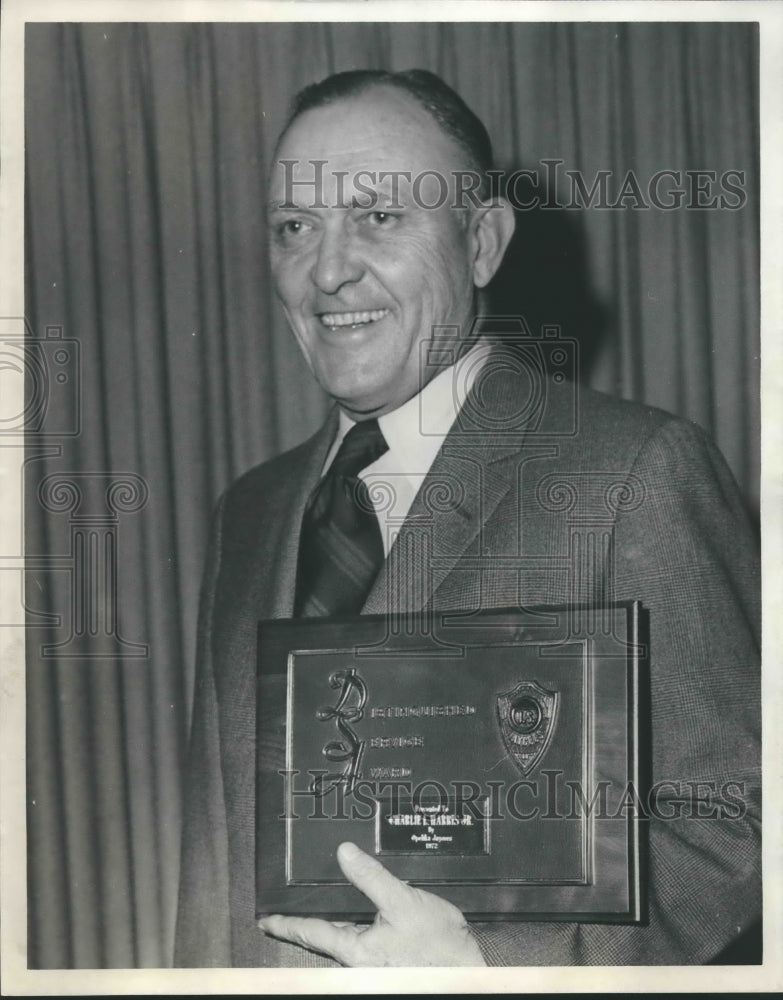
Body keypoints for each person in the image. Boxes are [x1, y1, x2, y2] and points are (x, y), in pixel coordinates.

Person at [174, 69, 760, 968]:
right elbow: (213, 875)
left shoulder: (632, 471)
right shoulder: (248, 513)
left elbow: (739, 820)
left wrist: (493, 971)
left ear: (481, 242)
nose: (327, 270)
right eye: (295, 227)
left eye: (378, 217)